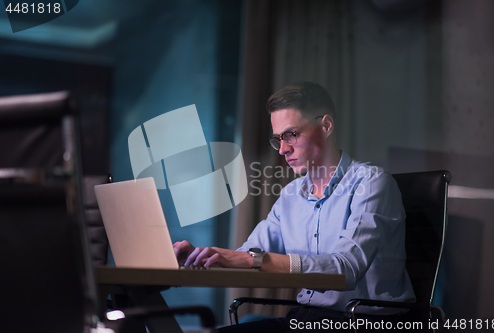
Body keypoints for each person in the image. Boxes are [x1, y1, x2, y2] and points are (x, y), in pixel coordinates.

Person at [174, 81, 415, 332]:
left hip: (359, 322)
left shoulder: (372, 182)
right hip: (304, 319)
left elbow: (345, 268)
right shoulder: (291, 194)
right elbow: (250, 254)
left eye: (291, 134)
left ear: (326, 125)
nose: (283, 149)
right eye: (278, 139)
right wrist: (203, 257)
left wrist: (251, 259)